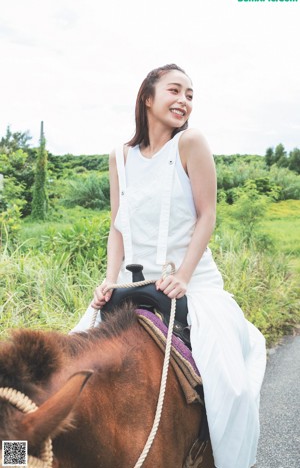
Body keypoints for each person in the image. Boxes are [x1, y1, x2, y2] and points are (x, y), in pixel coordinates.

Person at [72, 64, 266, 468]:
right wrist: (109, 279)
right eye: (175, 90)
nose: (184, 101)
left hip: (191, 284)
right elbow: (117, 225)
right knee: (61, 371)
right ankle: (23, 456)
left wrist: (183, 276)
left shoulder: (190, 143)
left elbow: (207, 215)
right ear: (147, 97)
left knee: (233, 390)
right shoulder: (119, 156)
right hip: (130, 285)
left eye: (190, 95)